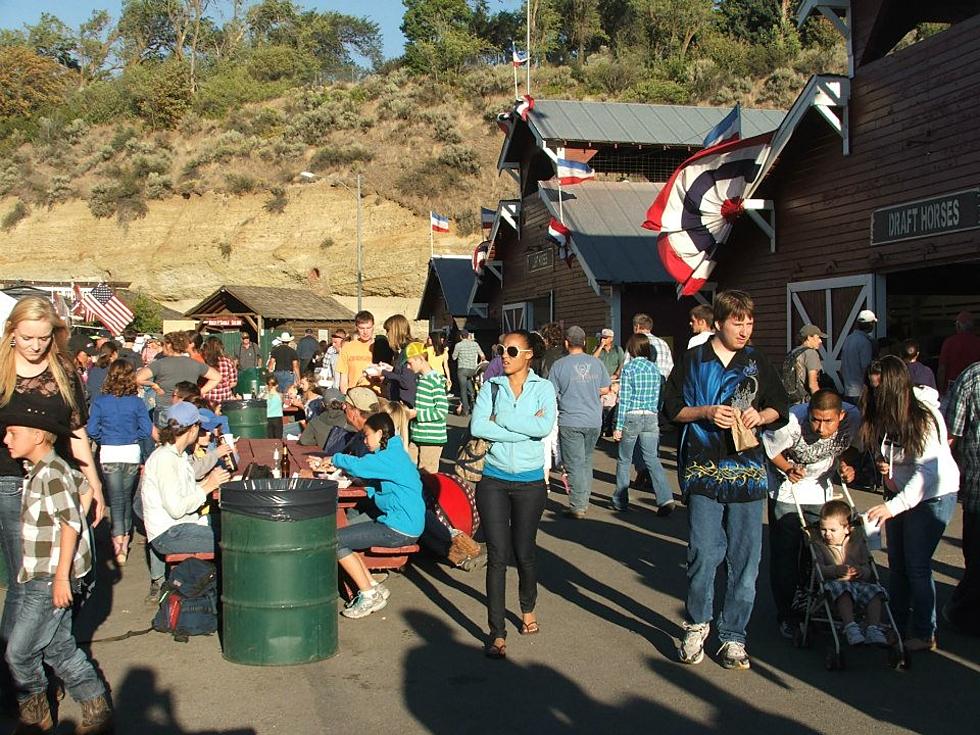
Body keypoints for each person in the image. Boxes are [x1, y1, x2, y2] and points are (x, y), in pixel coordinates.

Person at [663, 289, 788, 671]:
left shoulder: (757, 361)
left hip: (749, 473)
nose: (745, 329)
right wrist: (704, 412)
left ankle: (734, 635)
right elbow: (670, 409)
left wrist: (760, 416)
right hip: (702, 470)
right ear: (718, 322)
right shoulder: (692, 360)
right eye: (738, 322)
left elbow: (779, 407)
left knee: (746, 559)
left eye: (750, 322)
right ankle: (698, 623)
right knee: (703, 552)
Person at [0, 297, 106, 669]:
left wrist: (94, 482)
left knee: (74, 576)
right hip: (10, 481)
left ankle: (41, 660)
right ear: (12, 332)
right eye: (28, 337)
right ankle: (18, 674)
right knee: (26, 581)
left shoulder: (61, 368)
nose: (35, 346)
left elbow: (76, 429)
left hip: (59, 480)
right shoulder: (0, 369)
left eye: (44, 338)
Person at [0, 396, 113, 733]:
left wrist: (63, 575)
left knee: (18, 653)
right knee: (59, 648)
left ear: (37, 436)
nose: (5, 439)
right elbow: (84, 490)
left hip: (48, 578)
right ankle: (96, 708)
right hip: (48, 575)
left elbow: (69, 524)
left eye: (12, 433)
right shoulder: (49, 470)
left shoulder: (50, 473)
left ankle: (35, 714)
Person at [863, 355, 960, 651]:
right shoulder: (886, 413)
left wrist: (892, 506)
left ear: (895, 388)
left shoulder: (923, 417)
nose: (875, 394)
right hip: (903, 494)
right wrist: (884, 465)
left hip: (933, 495)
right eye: (872, 388)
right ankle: (895, 624)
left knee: (916, 565)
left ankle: (924, 631)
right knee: (898, 564)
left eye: (880, 389)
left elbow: (926, 471)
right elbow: (896, 454)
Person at [471, 330, 557, 659]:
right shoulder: (490, 387)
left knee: (524, 552)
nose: (503, 355)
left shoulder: (544, 388)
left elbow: (543, 428)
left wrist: (503, 419)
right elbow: (478, 427)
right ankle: (497, 631)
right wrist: (521, 426)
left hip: (531, 481)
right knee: (497, 555)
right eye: (500, 349)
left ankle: (527, 606)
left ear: (528, 355)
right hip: (492, 480)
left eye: (510, 350)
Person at [762, 389, 860, 638]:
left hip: (820, 492)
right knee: (785, 555)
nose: (820, 427)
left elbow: (849, 447)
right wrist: (787, 468)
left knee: (819, 554)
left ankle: (812, 605)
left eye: (828, 421)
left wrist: (846, 466)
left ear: (840, 416)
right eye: (815, 419)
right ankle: (786, 614)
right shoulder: (791, 422)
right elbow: (770, 449)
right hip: (787, 492)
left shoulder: (853, 417)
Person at [329, 412, 425, 619]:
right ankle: (372, 586)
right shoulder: (396, 454)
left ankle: (368, 593)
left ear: (380, 433)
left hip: (399, 528)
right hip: (404, 523)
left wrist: (333, 458)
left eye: (367, 435)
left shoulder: (388, 457)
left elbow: (358, 465)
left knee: (334, 540)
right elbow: (387, 486)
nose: (364, 441)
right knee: (344, 536)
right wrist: (366, 485)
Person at [141, 402, 229, 601]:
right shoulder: (166, 459)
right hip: (170, 533)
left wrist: (208, 482)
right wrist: (208, 486)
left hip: (181, 526)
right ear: (192, 429)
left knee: (232, 525)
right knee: (233, 538)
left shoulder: (178, 456)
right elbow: (176, 508)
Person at [87, 359, 153, 566]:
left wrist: (103, 438)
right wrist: (133, 436)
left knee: (115, 498)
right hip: (131, 452)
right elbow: (146, 429)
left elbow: (91, 429)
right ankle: (124, 533)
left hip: (109, 452)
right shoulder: (136, 402)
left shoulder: (100, 401)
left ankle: (119, 540)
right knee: (126, 496)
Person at [548, 325, 610, 518]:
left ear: (566, 343)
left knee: (574, 463)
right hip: (593, 419)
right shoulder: (596, 363)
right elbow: (606, 389)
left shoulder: (559, 366)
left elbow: (551, 394)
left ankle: (578, 505)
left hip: (570, 418)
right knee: (586, 460)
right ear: (584, 342)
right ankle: (584, 498)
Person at [812, 499, 890, 646]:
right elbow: (818, 570)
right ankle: (850, 627)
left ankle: (873, 627)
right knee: (844, 590)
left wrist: (861, 571)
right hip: (834, 584)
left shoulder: (857, 544)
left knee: (876, 591)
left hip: (858, 583)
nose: (827, 534)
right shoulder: (819, 545)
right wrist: (835, 570)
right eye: (823, 529)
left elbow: (868, 568)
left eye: (832, 530)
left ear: (847, 528)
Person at [612, 335, 673, 514]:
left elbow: (624, 399)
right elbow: (660, 396)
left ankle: (620, 499)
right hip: (651, 416)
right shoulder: (655, 370)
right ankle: (665, 497)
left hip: (632, 415)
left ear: (632, 349)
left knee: (624, 459)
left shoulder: (629, 369)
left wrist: (618, 425)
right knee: (652, 458)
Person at [943, 359, 980, 634]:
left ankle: (966, 613)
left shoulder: (971, 376)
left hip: (978, 487)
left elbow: (952, 434)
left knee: (977, 557)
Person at [137, 331, 219, 427]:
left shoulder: (159, 364)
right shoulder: (194, 363)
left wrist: (154, 386)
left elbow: (138, 378)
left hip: (165, 407)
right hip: (187, 407)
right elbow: (217, 377)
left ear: (169, 345)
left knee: (164, 439)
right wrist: (199, 392)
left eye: (163, 344)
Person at [404, 341, 448, 473]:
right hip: (417, 435)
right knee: (408, 469)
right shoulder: (420, 379)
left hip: (431, 438)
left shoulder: (434, 380)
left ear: (420, 359)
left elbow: (441, 411)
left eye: (410, 362)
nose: (408, 367)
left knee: (427, 475)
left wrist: (417, 414)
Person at [783, 324, 827, 405]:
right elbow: (812, 384)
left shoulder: (793, 352)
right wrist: (821, 403)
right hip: (804, 401)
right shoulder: (811, 353)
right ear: (809, 337)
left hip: (790, 400)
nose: (820, 341)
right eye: (818, 337)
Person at [379, 314, 417, 405]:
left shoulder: (411, 351)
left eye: (388, 331)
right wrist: (390, 369)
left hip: (408, 405)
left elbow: (406, 381)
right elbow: (402, 372)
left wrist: (384, 373)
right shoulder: (399, 352)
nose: (387, 334)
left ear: (395, 331)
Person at [938, 311, 980, 393]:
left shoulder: (949, 342)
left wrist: (941, 390)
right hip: (976, 384)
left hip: (954, 384)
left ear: (958, 325)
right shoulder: (978, 342)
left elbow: (942, 369)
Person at [840, 310, 876, 403]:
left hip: (848, 390)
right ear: (871, 324)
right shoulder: (864, 342)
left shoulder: (848, 339)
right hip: (860, 391)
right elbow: (866, 367)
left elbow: (842, 367)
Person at [337, 311, 376, 392]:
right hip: (355, 396)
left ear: (373, 327)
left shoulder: (380, 347)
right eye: (362, 328)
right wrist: (346, 397)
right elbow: (343, 379)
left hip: (377, 396)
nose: (365, 332)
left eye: (368, 328)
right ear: (356, 327)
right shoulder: (347, 347)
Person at [630, 313, 673, 378]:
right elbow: (670, 368)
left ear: (637, 327)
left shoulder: (635, 343)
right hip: (662, 384)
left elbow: (626, 367)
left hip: (641, 384)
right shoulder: (663, 344)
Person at [452, 330, 485, 416]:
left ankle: (465, 409)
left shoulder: (458, 345)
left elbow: (454, 357)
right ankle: (474, 405)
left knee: (463, 390)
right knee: (469, 384)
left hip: (462, 369)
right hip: (473, 369)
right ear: (468, 336)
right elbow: (482, 355)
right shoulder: (475, 344)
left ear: (461, 337)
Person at [202, 336, 237, 405]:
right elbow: (233, 383)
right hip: (225, 400)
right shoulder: (228, 361)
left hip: (209, 401)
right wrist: (223, 387)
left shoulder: (204, 362)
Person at [265, 375, 283, 439]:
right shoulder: (280, 395)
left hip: (268, 418)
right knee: (278, 438)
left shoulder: (265, 396)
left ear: (266, 385)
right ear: (277, 385)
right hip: (277, 418)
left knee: (270, 438)